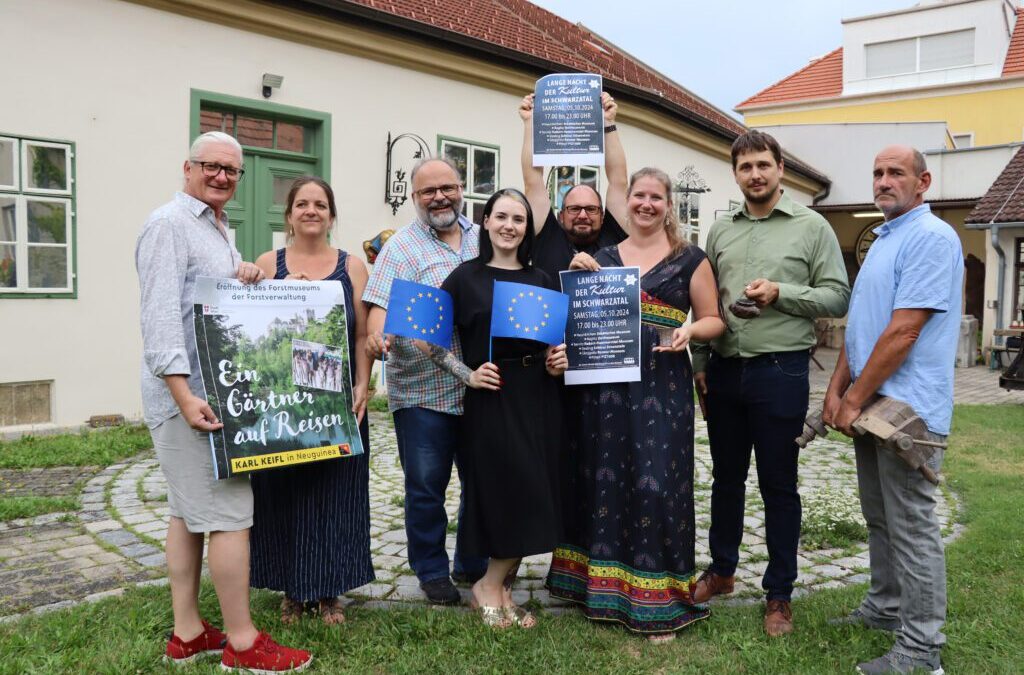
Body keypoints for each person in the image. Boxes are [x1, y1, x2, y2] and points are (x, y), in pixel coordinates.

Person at [135, 131, 311, 672]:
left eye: (231, 171)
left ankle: (188, 633)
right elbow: (161, 319)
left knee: (186, 515)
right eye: (211, 166)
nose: (221, 177)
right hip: (195, 398)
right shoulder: (169, 224)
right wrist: (184, 396)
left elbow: (206, 299)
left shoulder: (214, 229)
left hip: (212, 390)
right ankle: (241, 643)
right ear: (187, 167)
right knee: (231, 514)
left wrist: (245, 274)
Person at [547, 167, 726, 640]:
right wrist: (580, 277)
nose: (646, 204)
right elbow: (576, 318)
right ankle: (595, 587)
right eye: (638, 196)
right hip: (603, 387)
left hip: (663, 385)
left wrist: (690, 331)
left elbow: (715, 320)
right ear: (625, 204)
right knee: (600, 475)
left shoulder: (691, 259)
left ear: (669, 205)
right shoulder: (601, 256)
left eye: (656, 197)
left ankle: (658, 596)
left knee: (654, 482)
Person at [690, 130, 850, 637]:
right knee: (725, 478)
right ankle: (722, 570)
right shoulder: (720, 231)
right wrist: (698, 361)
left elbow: (837, 297)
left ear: (780, 168)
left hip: (781, 370)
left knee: (778, 484)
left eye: (763, 164)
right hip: (723, 369)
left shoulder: (812, 226)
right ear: (734, 173)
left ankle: (779, 593)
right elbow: (707, 302)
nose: (755, 174)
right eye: (745, 167)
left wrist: (783, 292)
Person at [824, 146, 961, 675]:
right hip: (872, 405)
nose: (882, 181)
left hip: (909, 411)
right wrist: (836, 393)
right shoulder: (886, 239)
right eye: (877, 173)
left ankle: (921, 653)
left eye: (895, 173)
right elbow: (863, 326)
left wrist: (853, 399)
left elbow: (904, 330)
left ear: (922, 182)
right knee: (880, 517)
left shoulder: (930, 237)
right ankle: (884, 610)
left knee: (912, 527)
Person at [422, 188, 568, 628]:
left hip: (539, 393)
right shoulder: (464, 277)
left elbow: (553, 345)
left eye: (518, 219)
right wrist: (465, 374)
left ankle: (500, 589)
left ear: (527, 228)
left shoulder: (542, 279)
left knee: (533, 489)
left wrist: (558, 360)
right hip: (493, 393)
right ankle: (489, 585)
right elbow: (428, 340)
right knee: (506, 490)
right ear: (485, 222)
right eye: (501, 216)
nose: (509, 226)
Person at [363, 157, 488, 605]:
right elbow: (379, 311)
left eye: (447, 188)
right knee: (425, 486)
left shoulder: (485, 236)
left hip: (483, 390)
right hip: (421, 392)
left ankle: (473, 565)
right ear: (414, 198)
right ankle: (432, 570)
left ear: (461, 187)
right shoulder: (401, 248)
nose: (439, 197)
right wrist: (379, 337)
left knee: (481, 481)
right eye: (427, 192)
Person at [249, 176, 374, 625]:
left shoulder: (352, 265)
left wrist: (364, 384)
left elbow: (362, 333)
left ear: (331, 214)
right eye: (302, 203)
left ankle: (330, 591)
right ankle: (291, 590)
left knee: (335, 495)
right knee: (283, 494)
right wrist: (275, 291)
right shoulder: (269, 262)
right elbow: (253, 324)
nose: (311, 211)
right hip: (283, 401)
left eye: (320, 204)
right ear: (289, 214)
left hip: (337, 396)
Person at [519, 91, 629, 282]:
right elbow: (533, 181)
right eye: (574, 208)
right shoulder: (547, 236)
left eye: (591, 209)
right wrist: (530, 124)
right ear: (561, 215)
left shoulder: (613, 237)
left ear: (603, 216)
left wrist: (608, 122)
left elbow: (619, 182)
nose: (583, 215)